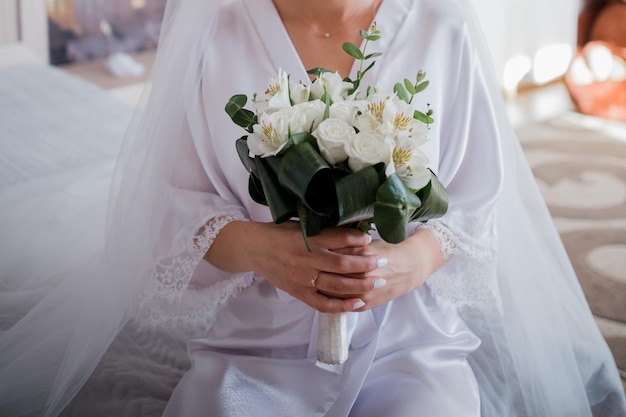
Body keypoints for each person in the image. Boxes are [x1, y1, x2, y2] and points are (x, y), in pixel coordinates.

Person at [1, 0, 625, 416]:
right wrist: (263, 250)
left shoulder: (441, 25)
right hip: (254, 348)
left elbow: (481, 199)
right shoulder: (217, 28)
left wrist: (412, 260)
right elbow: (170, 207)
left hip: (411, 344)